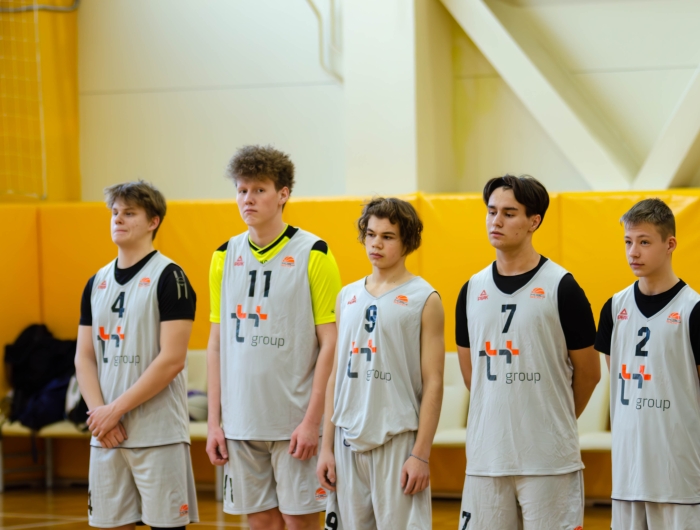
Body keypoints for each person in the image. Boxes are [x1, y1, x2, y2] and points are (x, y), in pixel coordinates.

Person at [206, 145, 341, 530]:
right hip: (240, 423)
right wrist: (214, 422)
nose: (247, 199)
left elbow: (331, 343)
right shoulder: (223, 256)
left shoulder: (314, 253)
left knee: (298, 521)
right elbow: (216, 344)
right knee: (261, 522)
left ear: (283, 194)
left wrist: (313, 420)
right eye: (241, 190)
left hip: (294, 422)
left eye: (259, 190)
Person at [455, 175, 599, 529]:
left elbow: (590, 373)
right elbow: (473, 376)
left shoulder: (563, 287)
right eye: (491, 211)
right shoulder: (471, 290)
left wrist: (553, 418)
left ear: (534, 221)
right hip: (487, 458)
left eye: (509, 213)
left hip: (549, 460)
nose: (496, 221)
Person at [75, 180, 198, 530]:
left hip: (158, 435)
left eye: (129, 213)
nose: (118, 219)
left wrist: (115, 411)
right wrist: (100, 415)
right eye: (115, 212)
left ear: (153, 222)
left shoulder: (170, 277)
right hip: (107, 435)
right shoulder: (95, 282)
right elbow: (84, 357)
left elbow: (172, 360)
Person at [317, 197, 445, 529]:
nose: (376, 243)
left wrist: (420, 454)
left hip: (397, 439)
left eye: (387, 236)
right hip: (347, 440)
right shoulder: (347, 296)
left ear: (407, 242)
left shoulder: (425, 298)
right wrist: (326, 447)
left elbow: (434, 382)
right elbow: (335, 376)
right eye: (371, 234)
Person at [595, 198, 700, 530]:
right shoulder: (614, 308)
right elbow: (617, 377)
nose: (633, 252)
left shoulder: (693, 309)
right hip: (628, 474)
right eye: (628, 241)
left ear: (670, 244)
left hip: (679, 475)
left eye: (644, 242)